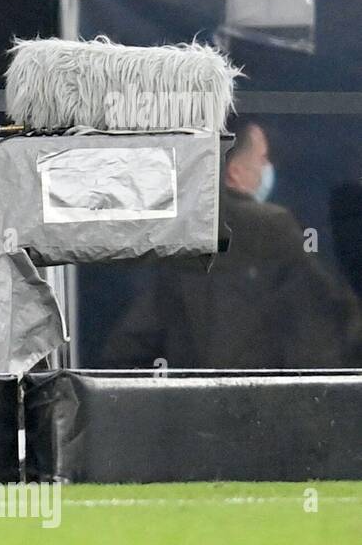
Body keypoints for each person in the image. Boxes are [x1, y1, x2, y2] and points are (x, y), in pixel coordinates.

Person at [103, 119, 361, 368]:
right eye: (261, 159)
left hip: (194, 404)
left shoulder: (181, 232)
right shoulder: (271, 225)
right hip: (267, 400)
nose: (267, 167)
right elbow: (320, 324)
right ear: (235, 172)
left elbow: (132, 345)